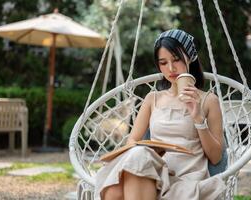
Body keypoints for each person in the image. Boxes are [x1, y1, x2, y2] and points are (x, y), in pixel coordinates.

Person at [95, 29, 226, 200]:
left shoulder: (209, 101)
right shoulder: (152, 99)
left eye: (176, 60)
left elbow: (216, 158)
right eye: (163, 63)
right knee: (134, 161)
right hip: (154, 171)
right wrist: (153, 150)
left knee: (115, 191)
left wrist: (198, 118)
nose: (170, 68)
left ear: (190, 58)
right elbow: (132, 141)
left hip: (185, 178)